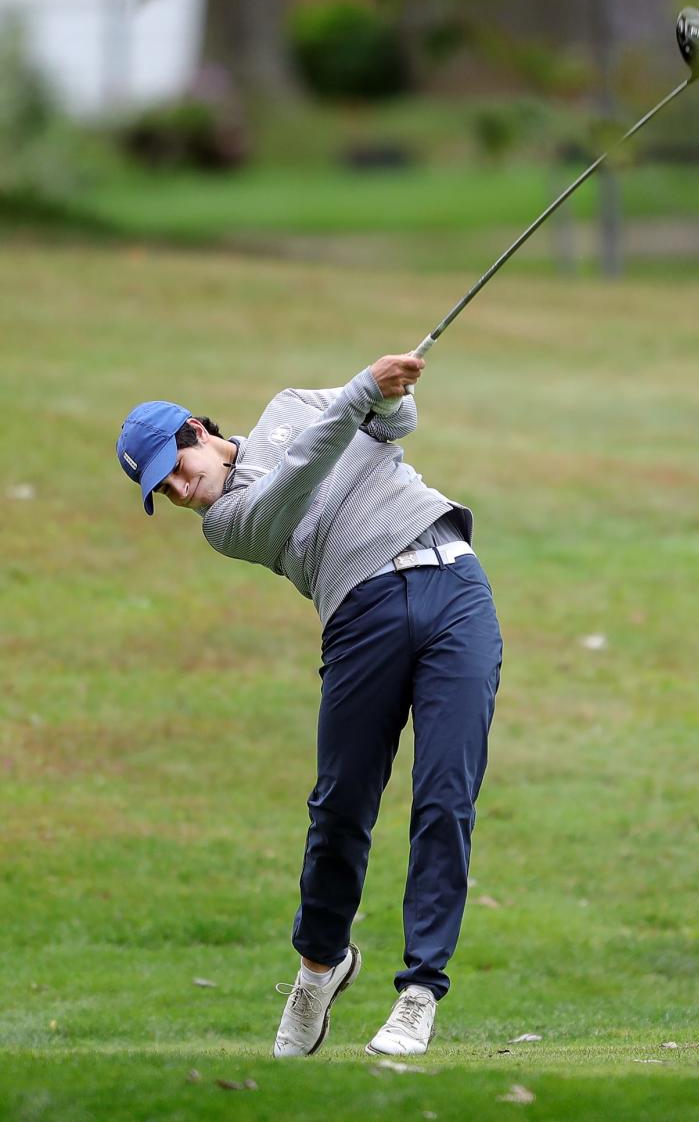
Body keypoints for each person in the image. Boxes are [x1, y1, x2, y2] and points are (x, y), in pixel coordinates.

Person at [115, 355, 502, 1058]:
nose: (179, 491)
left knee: (447, 794)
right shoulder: (229, 524)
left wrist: (387, 395)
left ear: (197, 430)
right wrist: (359, 394)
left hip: (455, 588)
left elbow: (394, 424)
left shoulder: (292, 404)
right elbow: (295, 482)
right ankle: (319, 967)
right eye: (163, 492)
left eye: (175, 468)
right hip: (363, 614)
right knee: (341, 807)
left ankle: (419, 992)